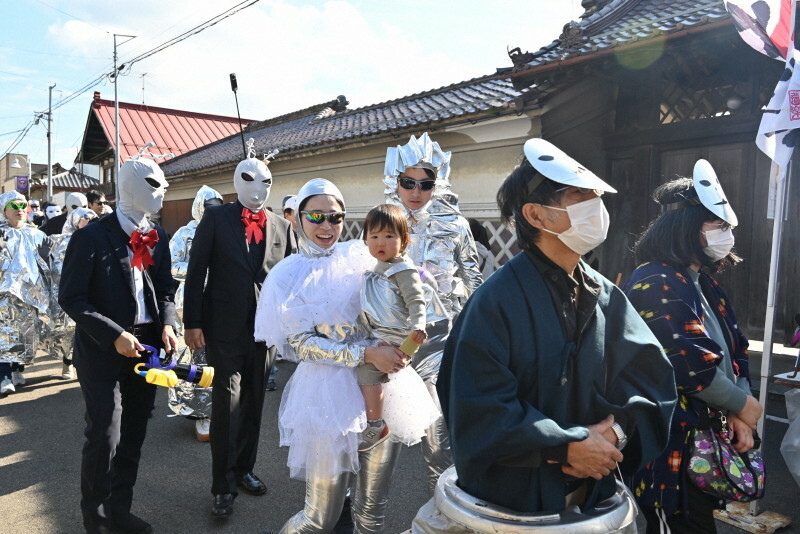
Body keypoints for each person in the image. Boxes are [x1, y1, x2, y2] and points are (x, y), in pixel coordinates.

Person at [436, 138, 676, 514]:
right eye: (580, 196)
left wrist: (617, 431)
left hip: (593, 493)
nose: (597, 208)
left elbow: (650, 378)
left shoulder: (606, 295)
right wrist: (562, 445)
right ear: (536, 215)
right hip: (515, 501)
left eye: (596, 196)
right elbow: (477, 405)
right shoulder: (494, 303)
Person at [255, 178, 409, 533]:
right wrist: (367, 352)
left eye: (336, 217)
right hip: (326, 394)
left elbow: (393, 299)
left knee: (371, 515)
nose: (327, 226)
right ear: (298, 219)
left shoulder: (360, 254)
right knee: (319, 518)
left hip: (381, 389)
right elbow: (300, 345)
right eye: (317, 216)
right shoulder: (287, 275)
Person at [624, 161, 763, 534]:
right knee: (680, 522)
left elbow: (736, 352)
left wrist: (739, 410)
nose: (727, 234)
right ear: (686, 228)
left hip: (706, 434)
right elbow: (689, 365)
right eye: (719, 226)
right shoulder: (655, 280)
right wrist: (744, 405)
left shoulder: (702, 282)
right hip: (672, 443)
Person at [59, 147, 177, 534]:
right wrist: (115, 334)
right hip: (102, 348)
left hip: (147, 346)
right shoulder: (91, 237)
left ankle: (119, 511)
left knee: (136, 430)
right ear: (128, 188)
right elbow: (72, 298)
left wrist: (169, 323)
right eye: (154, 184)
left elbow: (164, 288)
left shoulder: (157, 234)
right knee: (105, 432)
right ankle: (96, 521)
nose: (162, 191)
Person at [183, 143, 295, 518]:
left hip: (265, 332)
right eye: (250, 179)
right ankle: (222, 485)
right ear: (236, 181)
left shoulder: (281, 225)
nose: (258, 188)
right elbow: (196, 271)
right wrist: (192, 322)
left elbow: (289, 278)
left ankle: (245, 469)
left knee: (254, 404)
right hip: (222, 329)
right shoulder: (215, 220)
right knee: (226, 403)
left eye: (266, 181)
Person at [382, 132, 482, 492]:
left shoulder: (455, 225)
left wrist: (482, 332)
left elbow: (474, 281)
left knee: (438, 439)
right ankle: (354, 510)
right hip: (389, 340)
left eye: (425, 184)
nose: (416, 191)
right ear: (395, 181)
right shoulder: (383, 224)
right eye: (408, 182)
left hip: (438, 341)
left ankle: (444, 517)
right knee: (375, 438)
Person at [358, 203, 440, 451]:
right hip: (380, 335)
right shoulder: (377, 268)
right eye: (374, 236)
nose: (380, 242)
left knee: (366, 372)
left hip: (396, 338)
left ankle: (375, 424)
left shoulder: (403, 269)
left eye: (388, 236)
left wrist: (418, 324)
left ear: (403, 240)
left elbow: (416, 300)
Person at [167, 185, 223, 442]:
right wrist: (201, 268)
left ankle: (220, 409)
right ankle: (200, 413)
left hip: (221, 304)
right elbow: (171, 266)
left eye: (217, 207)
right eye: (209, 207)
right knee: (194, 359)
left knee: (220, 359)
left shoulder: (226, 232)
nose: (213, 212)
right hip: (189, 306)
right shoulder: (185, 233)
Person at [0, 192, 51, 395]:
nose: (20, 209)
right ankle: (3, 375)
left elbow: (47, 265)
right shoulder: (1, 234)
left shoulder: (36, 234)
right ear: (4, 209)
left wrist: (46, 257)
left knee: (26, 333)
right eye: (14, 205)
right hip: (5, 294)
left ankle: (18, 369)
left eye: (24, 205)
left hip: (32, 293)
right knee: (4, 333)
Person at [47, 207, 98, 380]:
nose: (90, 219)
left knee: (90, 329)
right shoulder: (60, 241)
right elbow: (53, 268)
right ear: (76, 219)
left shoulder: (99, 239)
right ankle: (67, 364)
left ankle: (86, 365)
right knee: (68, 331)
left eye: (94, 217)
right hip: (68, 292)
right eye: (86, 216)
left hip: (93, 293)